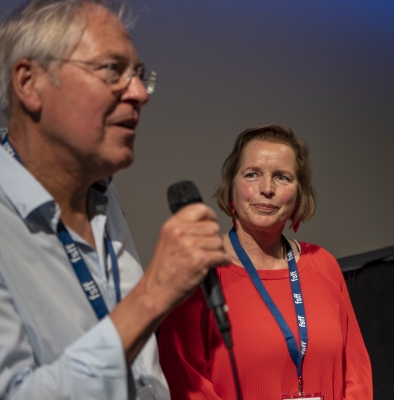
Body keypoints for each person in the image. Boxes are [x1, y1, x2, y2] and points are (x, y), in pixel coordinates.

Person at [0, 0, 229, 398]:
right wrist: (153, 294)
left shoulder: (104, 198)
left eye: (139, 74)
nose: (139, 93)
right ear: (29, 84)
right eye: (112, 70)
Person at [158, 124, 373, 400]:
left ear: (298, 195)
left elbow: (357, 374)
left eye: (282, 177)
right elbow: (185, 382)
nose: (267, 188)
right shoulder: (198, 270)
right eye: (252, 174)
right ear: (231, 188)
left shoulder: (323, 264)